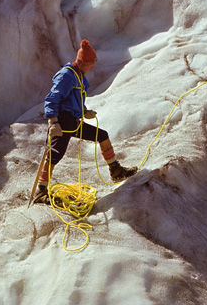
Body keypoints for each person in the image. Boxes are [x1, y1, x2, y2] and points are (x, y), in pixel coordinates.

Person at [32, 39, 136, 204]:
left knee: (102, 135)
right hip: (63, 121)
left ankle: (115, 170)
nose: (92, 66)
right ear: (81, 61)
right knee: (55, 154)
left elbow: (73, 99)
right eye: (90, 63)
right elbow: (52, 99)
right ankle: (40, 191)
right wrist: (53, 122)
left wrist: (84, 111)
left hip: (73, 120)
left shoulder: (78, 76)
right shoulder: (66, 75)